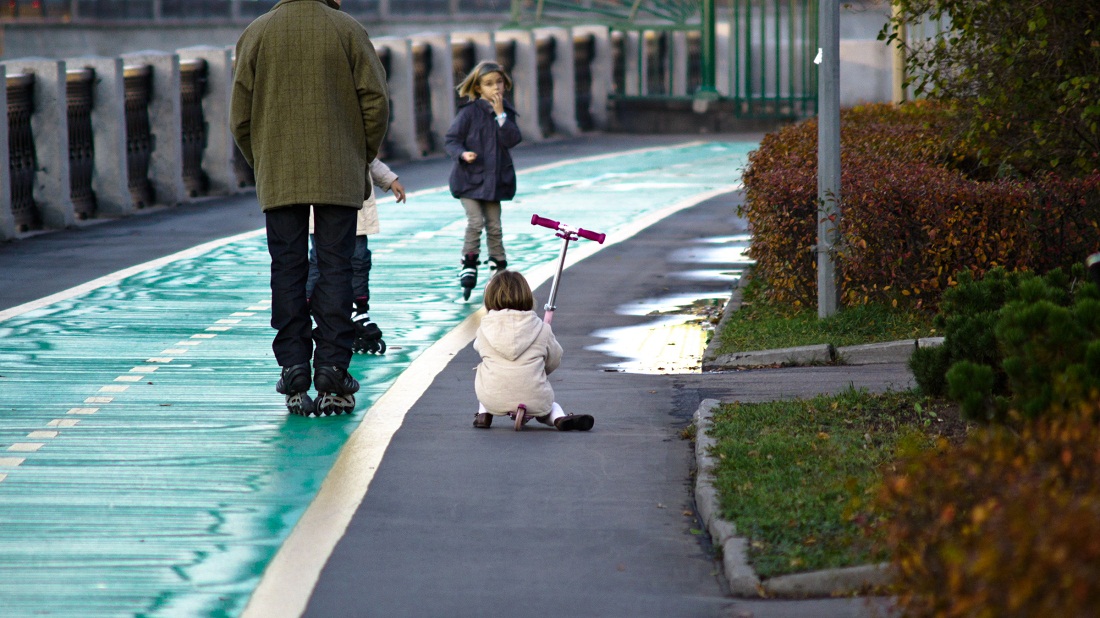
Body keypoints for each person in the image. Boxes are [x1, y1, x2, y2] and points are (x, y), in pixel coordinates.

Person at [230, 0, 389, 417]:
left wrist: (263, 160)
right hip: (338, 170)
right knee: (336, 266)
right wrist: (360, 153)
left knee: (287, 267)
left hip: (280, 169)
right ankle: (333, 366)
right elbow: (375, 102)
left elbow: (240, 118)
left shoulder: (257, 32)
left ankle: (294, 365)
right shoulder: (347, 29)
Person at [472, 270, 594, 431]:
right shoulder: (542, 329)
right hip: (535, 396)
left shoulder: (484, 328)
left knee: (485, 370)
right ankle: (558, 418)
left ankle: (483, 414)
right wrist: (540, 369)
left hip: (492, 397)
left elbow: (479, 349)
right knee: (549, 407)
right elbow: (555, 358)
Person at [306, 158, 407, 355]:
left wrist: (390, 180)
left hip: (354, 205)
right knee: (320, 261)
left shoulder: (351, 130)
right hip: (320, 202)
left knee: (359, 259)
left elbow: (368, 154)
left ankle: (358, 310)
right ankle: (308, 307)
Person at [444, 60, 522, 300]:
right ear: (478, 88)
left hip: (494, 182)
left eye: (499, 82)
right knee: (476, 221)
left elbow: (512, 139)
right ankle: (469, 262)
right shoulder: (468, 113)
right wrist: (462, 154)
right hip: (469, 181)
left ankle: (498, 267)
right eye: (489, 84)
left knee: (495, 226)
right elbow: (451, 140)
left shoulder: (506, 112)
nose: (496, 88)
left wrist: (500, 116)